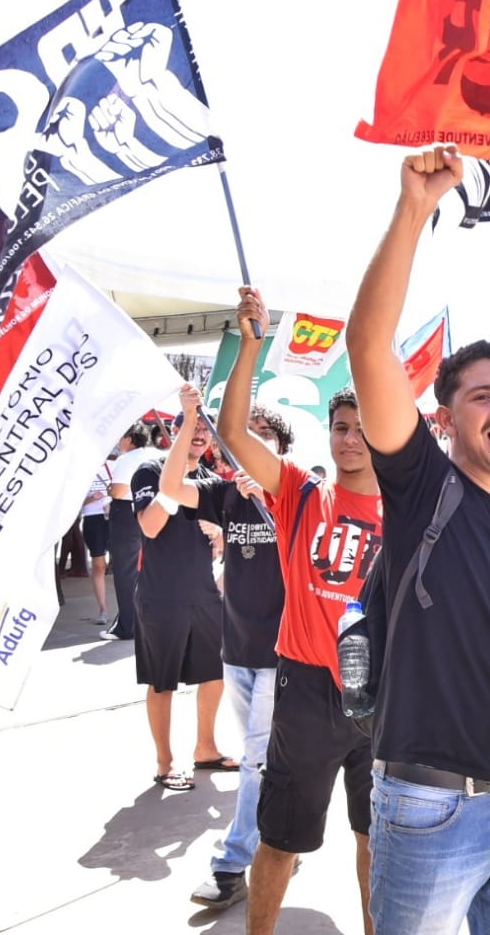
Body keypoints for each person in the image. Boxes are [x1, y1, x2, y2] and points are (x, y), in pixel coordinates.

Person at [347, 146, 490, 935]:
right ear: (444, 419)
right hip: (429, 808)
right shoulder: (425, 488)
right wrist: (413, 210)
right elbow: (367, 350)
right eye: (481, 396)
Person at [214, 286, 384, 935]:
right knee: (280, 837)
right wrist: (250, 349)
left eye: (363, 427)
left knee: (376, 840)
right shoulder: (300, 494)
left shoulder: (409, 510)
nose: (350, 438)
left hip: (380, 695)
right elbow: (231, 433)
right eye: (341, 427)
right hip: (306, 687)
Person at [158, 383, 293, 916]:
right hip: (235, 648)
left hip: (284, 652)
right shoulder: (221, 493)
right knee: (269, 757)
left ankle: (230, 864)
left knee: (258, 759)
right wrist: (192, 419)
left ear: (279, 450)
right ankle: (278, 840)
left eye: (263, 441)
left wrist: (268, 501)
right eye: (245, 441)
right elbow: (171, 485)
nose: (251, 451)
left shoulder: (297, 492)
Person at [133, 406, 232, 792]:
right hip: (162, 596)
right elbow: (150, 525)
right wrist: (174, 490)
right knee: (163, 682)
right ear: (173, 431)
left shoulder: (211, 480)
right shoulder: (150, 470)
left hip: (206, 594)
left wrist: (219, 531)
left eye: (205, 428)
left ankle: (205, 749)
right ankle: (165, 762)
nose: (200, 434)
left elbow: (226, 541)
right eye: (191, 425)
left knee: (216, 673)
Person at [101, 423, 159, 641]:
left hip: (127, 513)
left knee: (125, 572)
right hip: (154, 510)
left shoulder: (127, 459)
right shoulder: (156, 453)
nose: (118, 442)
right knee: (149, 571)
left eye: (121, 437)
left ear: (130, 438)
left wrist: (109, 489)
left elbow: (118, 490)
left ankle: (127, 625)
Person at [82, 457, 113, 625]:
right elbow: (75, 501)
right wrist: (91, 498)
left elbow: (124, 491)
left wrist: (111, 500)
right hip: (92, 518)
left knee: (125, 565)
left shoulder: (113, 465)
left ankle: (129, 609)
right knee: (99, 565)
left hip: (113, 517)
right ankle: (103, 609)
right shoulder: (83, 469)